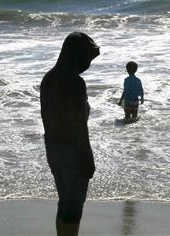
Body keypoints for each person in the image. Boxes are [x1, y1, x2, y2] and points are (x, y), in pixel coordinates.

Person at [40, 32, 100, 236]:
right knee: (74, 209)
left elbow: (45, 117)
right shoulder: (75, 82)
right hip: (72, 151)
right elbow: (79, 128)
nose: (88, 64)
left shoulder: (48, 78)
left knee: (64, 203)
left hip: (52, 148)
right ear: (77, 55)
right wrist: (87, 159)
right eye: (87, 58)